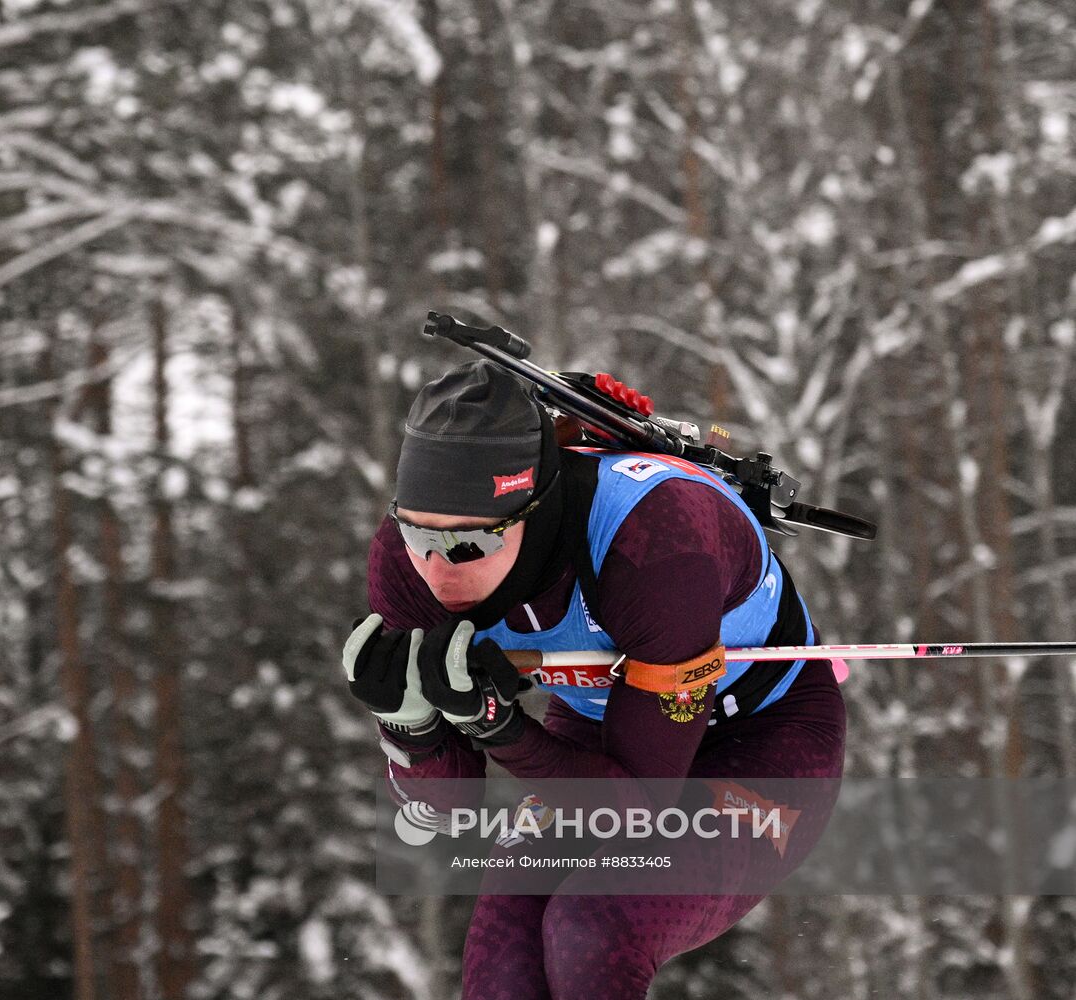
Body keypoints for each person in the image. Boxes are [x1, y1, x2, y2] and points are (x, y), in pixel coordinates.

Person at [342, 359, 846, 999]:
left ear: (535, 510)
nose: (439, 571)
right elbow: (448, 811)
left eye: (472, 545)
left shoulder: (657, 539)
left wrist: (496, 727)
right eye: (418, 535)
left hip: (764, 738)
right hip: (596, 733)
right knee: (504, 966)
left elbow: (639, 812)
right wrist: (410, 729)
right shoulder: (402, 567)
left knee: (596, 925)